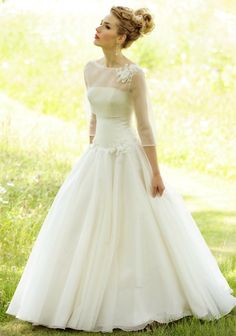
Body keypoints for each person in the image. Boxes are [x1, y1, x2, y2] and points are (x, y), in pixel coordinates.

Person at [6, 5, 236, 333]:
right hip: (96, 157)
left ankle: (144, 299)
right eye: (100, 23)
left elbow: (145, 128)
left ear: (121, 37)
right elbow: (94, 116)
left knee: (135, 228)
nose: (97, 29)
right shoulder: (89, 69)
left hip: (128, 156)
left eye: (107, 26)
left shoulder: (134, 75)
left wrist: (155, 172)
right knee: (85, 227)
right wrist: (90, 151)